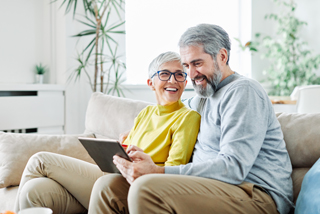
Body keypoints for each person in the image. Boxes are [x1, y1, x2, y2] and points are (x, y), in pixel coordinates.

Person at [96, 24, 294, 214]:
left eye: (197, 64)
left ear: (222, 57)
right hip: (210, 187)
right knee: (108, 187)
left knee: (146, 187)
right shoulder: (202, 97)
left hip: (256, 195)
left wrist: (159, 171)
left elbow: (234, 167)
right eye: (186, 65)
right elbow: (169, 112)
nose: (191, 74)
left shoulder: (243, 92)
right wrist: (134, 135)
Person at [14, 51, 200, 213]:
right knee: (34, 190)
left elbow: (174, 170)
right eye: (165, 74)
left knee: (40, 160)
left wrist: (147, 164)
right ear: (151, 83)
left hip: (129, 184)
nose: (173, 80)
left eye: (179, 75)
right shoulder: (146, 113)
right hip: (112, 174)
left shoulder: (187, 117)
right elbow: (128, 152)